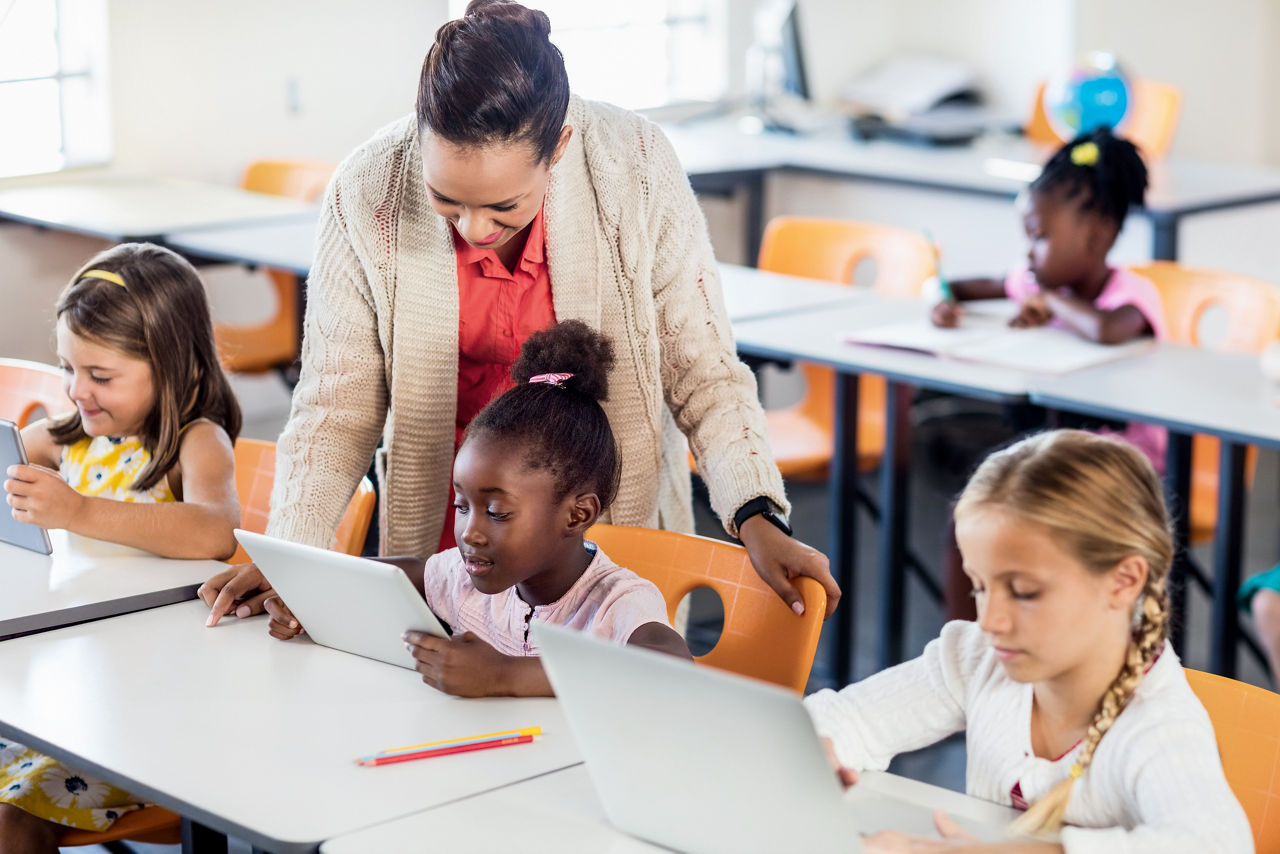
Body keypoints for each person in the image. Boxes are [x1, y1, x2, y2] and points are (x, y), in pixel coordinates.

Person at [199, 0, 836, 629]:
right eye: (446, 202)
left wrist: (755, 511)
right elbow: (335, 408)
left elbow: (704, 372)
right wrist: (288, 551)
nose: (475, 229)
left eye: (504, 208)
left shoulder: (634, 164)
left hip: (611, 552)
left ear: (557, 147)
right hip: (450, 552)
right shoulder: (368, 187)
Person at [807, 430, 1251, 853]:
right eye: (979, 586)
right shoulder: (978, 655)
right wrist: (816, 746)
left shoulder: (1157, 727)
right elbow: (847, 720)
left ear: (1123, 581)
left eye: (1024, 592)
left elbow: (1215, 846)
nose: (990, 619)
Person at [263, 321, 689, 696]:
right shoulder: (469, 578)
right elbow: (394, 576)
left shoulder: (615, 604)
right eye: (462, 505)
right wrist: (307, 596)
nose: (469, 532)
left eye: (498, 512)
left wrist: (506, 676)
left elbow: (670, 671)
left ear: (576, 515)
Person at [0, 243, 241, 850]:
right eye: (67, 368)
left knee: (10, 822)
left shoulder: (197, 441)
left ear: (174, 366)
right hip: (70, 682)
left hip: (148, 712)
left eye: (101, 376)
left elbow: (214, 530)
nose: (77, 391)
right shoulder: (66, 439)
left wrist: (78, 511)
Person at [931, 126, 1162, 346]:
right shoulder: (1030, 282)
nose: (1028, 252)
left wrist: (1049, 300)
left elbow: (1104, 329)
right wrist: (943, 305)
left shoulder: (1131, 294)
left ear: (1098, 236)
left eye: (1039, 237)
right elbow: (951, 288)